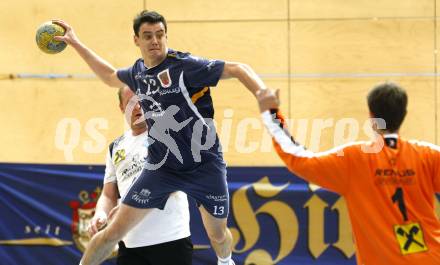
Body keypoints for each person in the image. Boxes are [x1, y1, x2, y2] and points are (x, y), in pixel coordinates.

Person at [53, 10, 267, 265]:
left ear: (166, 36)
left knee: (218, 235)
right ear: (137, 40)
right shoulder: (139, 73)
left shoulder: (185, 66)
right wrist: (76, 43)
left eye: (160, 35)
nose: (155, 41)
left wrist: (263, 95)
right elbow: (109, 76)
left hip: (204, 164)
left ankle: (226, 261)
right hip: (163, 167)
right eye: (148, 36)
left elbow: (239, 68)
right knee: (112, 233)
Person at [257, 83, 440, 265]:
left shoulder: (354, 159)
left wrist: (271, 112)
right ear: (404, 115)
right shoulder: (429, 155)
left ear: (371, 117)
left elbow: (299, 157)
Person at [88, 86, 192, 265]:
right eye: (130, 103)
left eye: (141, 101)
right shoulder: (116, 147)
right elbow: (108, 194)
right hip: (131, 245)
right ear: (121, 107)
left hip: (170, 240)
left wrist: (130, 205)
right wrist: (101, 213)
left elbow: (172, 182)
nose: (137, 107)